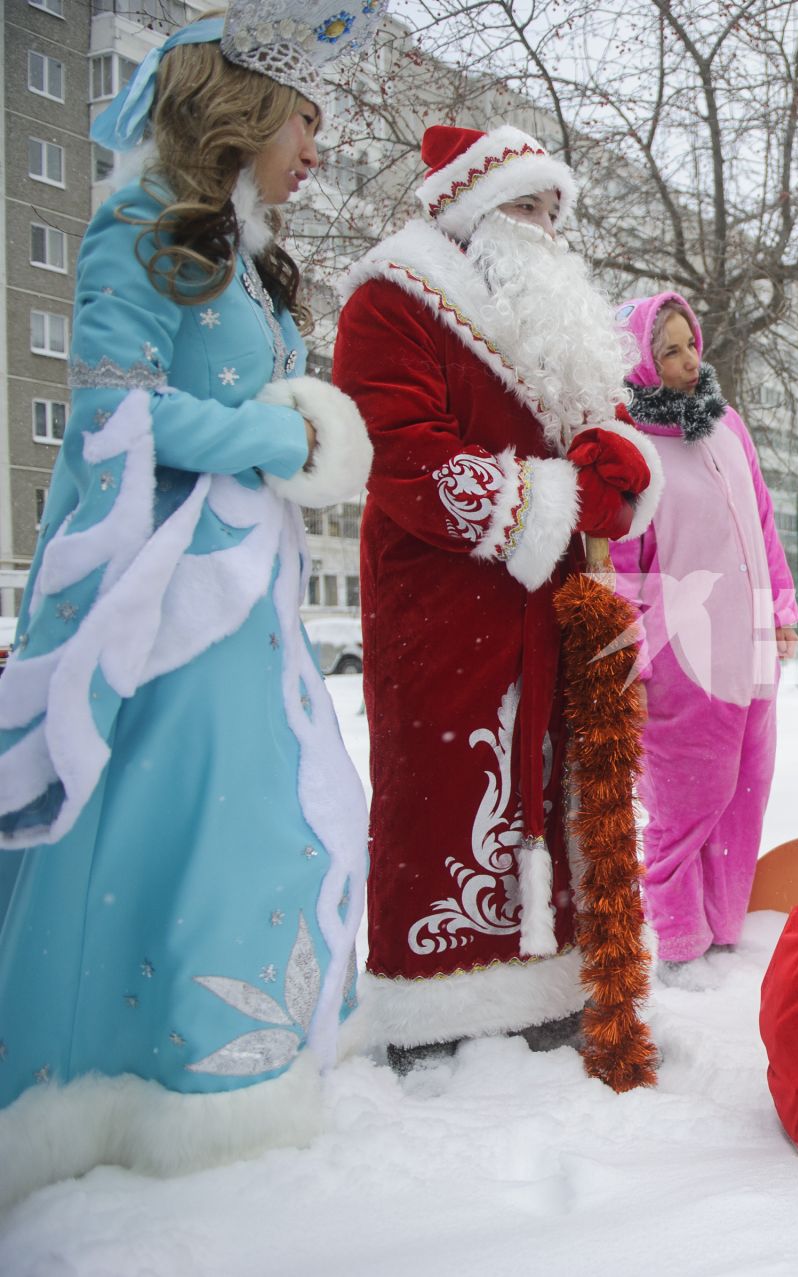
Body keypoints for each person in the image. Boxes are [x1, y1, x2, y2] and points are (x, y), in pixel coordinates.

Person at [0, 4, 379, 1207]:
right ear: (249, 113)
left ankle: (217, 1084)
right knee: (225, 826)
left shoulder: (245, 252)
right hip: (166, 607)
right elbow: (116, 412)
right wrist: (281, 431)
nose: (318, 146)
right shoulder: (139, 233)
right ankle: (145, 1083)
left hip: (244, 591)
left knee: (258, 819)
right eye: (307, 121)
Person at [333, 125, 661, 1072]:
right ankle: (439, 1009)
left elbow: (613, 436)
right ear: (475, 213)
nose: (545, 227)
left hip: (552, 608)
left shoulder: (547, 318)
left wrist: (623, 474)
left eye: (553, 210)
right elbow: (399, 449)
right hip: (444, 605)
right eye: (527, 206)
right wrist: (557, 499)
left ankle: (556, 983)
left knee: (555, 785)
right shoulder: (393, 298)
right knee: (447, 789)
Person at [609, 294, 798, 965]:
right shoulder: (628, 444)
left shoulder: (727, 425)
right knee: (687, 807)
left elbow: (764, 520)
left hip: (749, 647)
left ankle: (724, 932)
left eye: (692, 344)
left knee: (745, 795)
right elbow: (622, 563)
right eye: (670, 351)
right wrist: (640, 650)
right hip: (682, 654)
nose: (691, 362)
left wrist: (780, 607)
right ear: (640, 361)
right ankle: (681, 947)